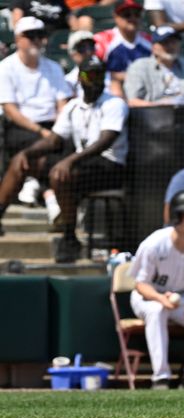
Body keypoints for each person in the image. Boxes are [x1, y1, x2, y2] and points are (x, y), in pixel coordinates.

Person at [0, 58, 127, 263]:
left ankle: (69, 236)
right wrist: (27, 153)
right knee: (21, 160)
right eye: (89, 75)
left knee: (60, 173)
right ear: (79, 78)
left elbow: (105, 141)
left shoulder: (115, 103)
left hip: (109, 166)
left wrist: (70, 161)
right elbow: (54, 139)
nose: (94, 81)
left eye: (99, 76)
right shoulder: (73, 106)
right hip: (82, 163)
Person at [129, 190, 184, 389]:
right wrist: (161, 299)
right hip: (149, 296)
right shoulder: (155, 243)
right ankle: (161, 377)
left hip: (183, 297)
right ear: (176, 215)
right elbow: (140, 284)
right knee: (157, 311)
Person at [0, 17, 72, 214]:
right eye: (30, 36)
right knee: (40, 151)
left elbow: (62, 104)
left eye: (40, 35)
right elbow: (10, 109)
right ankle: (48, 195)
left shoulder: (54, 67)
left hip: (52, 127)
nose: (36, 40)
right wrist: (41, 131)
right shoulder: (6, 67)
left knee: (56, 149)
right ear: (18, 39)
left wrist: (58, 129)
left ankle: (36, 185)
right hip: (22, 128)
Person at [124, 26, 184, 106]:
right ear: (153, 47)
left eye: (174, 42)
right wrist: (160, 107)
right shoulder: (139, 67)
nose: (170, 46)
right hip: (153, 116)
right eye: (165, 42)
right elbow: (133, 101)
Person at [94, 0, 152, 97]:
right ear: (115, 17)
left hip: (145, 94)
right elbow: (92, 72)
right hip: (110, 96)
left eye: (137, 15)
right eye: (127, 15)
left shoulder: (149, 40)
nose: (133, 18)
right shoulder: (102, 40)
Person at [64, 30, 97, 96]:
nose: (88, 52)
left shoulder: (107, 73)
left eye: (91, 47)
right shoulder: (68, 81)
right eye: (82, 48)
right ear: (72, 53)